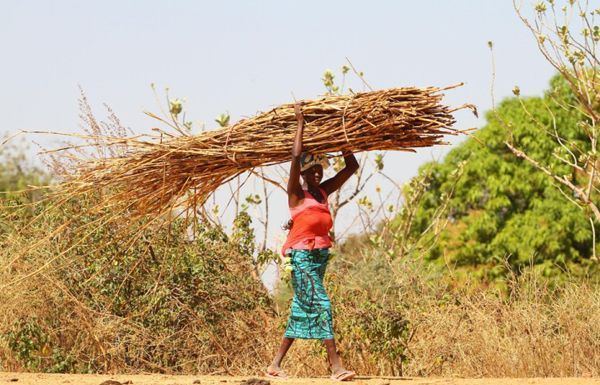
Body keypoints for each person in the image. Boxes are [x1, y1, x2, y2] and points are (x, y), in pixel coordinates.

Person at [266, 102, 359, 381]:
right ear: (304, 174)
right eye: (312, 171)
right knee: (322, 304)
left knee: (303, 307)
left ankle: (274, 365)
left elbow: (351, 166)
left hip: (319, 258)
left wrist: (342, 135)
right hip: (302, 256)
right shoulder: (296, 194)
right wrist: (300, 124)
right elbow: (294, 158)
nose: (317, 174)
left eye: (319, 169)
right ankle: (336, 366)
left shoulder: (323, 192)